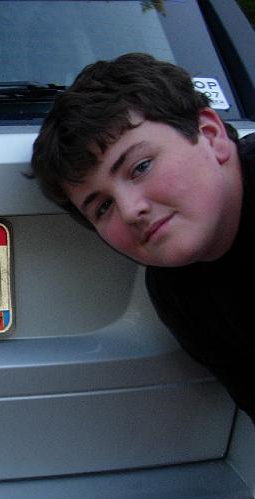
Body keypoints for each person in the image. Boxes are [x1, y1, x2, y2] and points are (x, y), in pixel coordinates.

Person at [30, 52, 255, 424]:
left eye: (141, 167)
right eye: (102, 207)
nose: (131, 210)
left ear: (210, 135)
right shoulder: (177, 292)